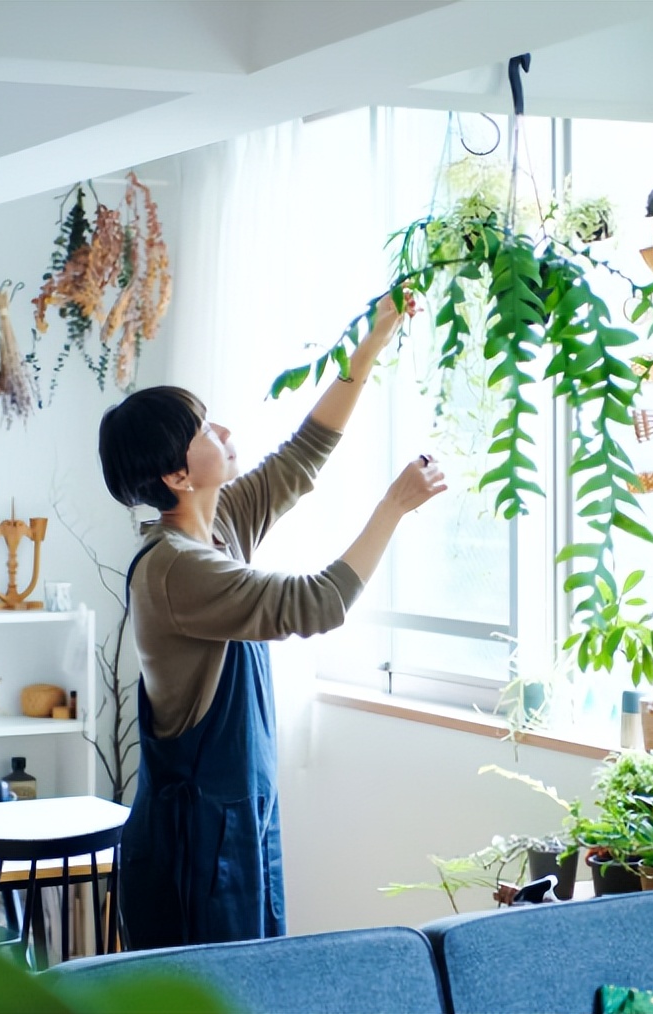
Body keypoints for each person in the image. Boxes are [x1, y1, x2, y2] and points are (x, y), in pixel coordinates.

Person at [97, 292, 445, 949]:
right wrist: (394, 507)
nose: (221, 433)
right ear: (176, 474)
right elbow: (318, 602)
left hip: (240, 821)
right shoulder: (174, 570)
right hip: (193, 847)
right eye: (202, 431)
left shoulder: (216, 525)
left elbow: (302, 456)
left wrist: (372, 342)